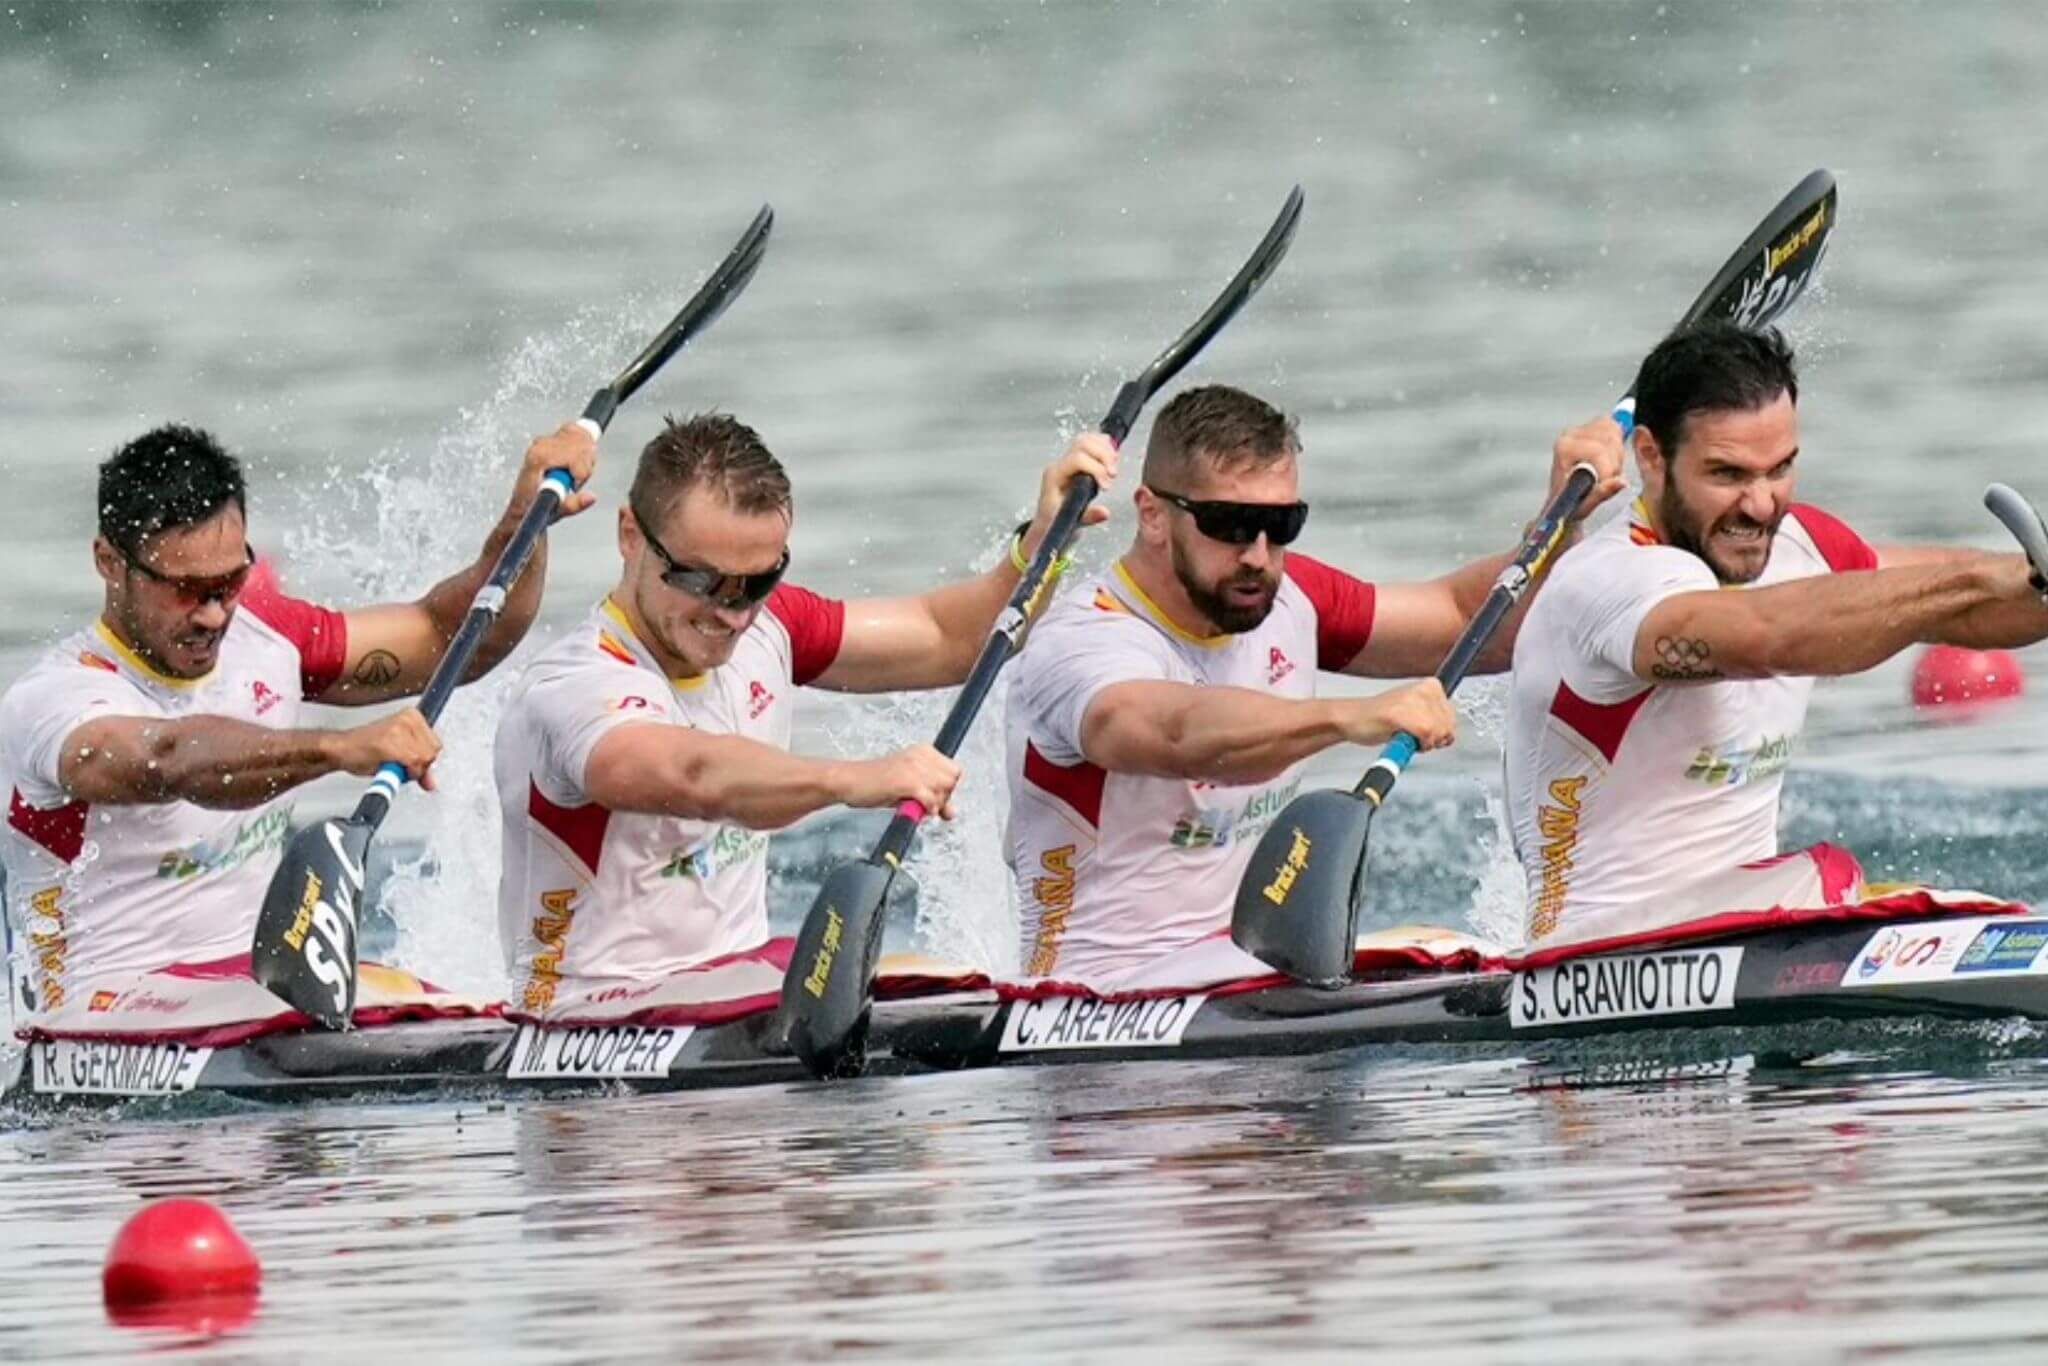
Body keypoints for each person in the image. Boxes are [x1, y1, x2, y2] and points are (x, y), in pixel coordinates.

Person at [1004, 383, 1629, 988]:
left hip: (1248, 968)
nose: (1258, 554)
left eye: (1282, 524)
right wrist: (1349, 718)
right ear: (1152, 514)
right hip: (1095, 1001)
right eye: (1230, 523)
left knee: (1444, 945)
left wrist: (1557, 526)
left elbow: (1476, 623)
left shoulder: (1289, 598)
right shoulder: (1082, 639)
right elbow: (1172, 731)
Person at [494, 411, 1116, 1010]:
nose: (734, 614)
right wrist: (852, 780)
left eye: (758, 582)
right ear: (630, 536)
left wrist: (1042, 541)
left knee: (943, 980)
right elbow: (693, 775)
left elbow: (955, 637)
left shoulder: (774, 629)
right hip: (587, 1018)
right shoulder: (575, 684)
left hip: (733, 992)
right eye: (703, 581)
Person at [0, 420, 599, 1011]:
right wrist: (338, 749)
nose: (213, 614)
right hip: (97, 1012)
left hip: (261, 989)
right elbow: (170, 758)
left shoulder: (268, 640)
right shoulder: (57, 700)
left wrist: (527, 519)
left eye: (230, 581)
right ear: (109, 561)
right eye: (185, 589)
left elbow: (454, 637)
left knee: (474, 1013)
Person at [1505, 321, 2048, 949]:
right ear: (1651, 456)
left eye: (1781, 469)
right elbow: (1770, 636)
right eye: (1729, 475)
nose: (1762, 506)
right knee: (1827, 875)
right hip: (1593, 951)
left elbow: (1971, 606)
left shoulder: (1801, 544)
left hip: (1753, 920)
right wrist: (1977, 582)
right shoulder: (1607, 581)